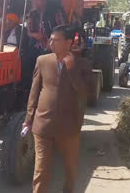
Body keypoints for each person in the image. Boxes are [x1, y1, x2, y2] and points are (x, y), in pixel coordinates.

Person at [23, 25, 92, 193]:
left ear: (68, 42)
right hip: (43, 125)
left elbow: (85, 93)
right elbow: (34, 91)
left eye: (56, 40)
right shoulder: (43, 60)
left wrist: (71, 68)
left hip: (69, 126)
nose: (51, 43)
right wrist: (28, 119)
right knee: (41, 170)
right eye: (51, 39)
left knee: (70, 169)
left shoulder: (82, 64)